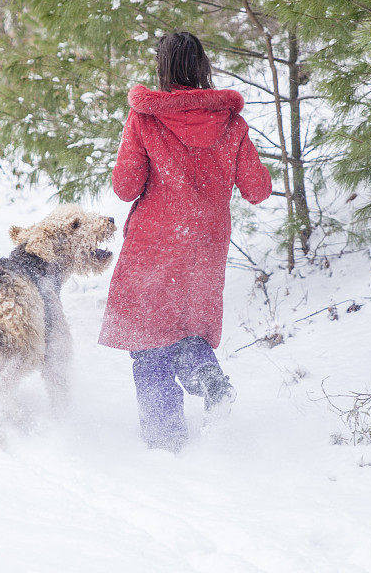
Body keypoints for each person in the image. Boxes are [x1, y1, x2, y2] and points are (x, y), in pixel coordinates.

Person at [99, 30, 273, 451]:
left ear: (164, 68)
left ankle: (165, 443)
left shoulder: (145, 118)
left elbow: (125, 187)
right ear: (203, 67)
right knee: (188, 328)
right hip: (205, 247)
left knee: (149, 342)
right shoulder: (232, 123)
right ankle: (211, 382)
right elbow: (258, 189)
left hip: (154, 245)